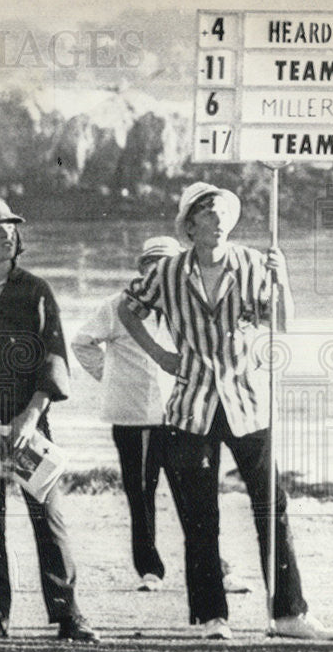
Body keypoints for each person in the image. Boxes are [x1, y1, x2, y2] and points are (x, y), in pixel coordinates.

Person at [118, 181, 333, 641]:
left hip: (247, 401)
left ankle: (289, 615)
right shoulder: (168, 272)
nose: (218, 218)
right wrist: (161, 355)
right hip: (192, 405)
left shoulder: (252, 263)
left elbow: (282, 324)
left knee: (271, 507)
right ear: (191, 224)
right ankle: (210, 617)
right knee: (201, 515)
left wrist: (284, 281)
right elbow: (128, 308)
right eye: (206, 211)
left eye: (223, 210)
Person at [0, 199, 99, 642]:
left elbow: (54, 355)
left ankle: (69, 616)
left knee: (48, 517)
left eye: (10, 225)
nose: (7, 232)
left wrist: (30, 418)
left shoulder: (37, 290)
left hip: (31, 424)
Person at [72, 236, 251, 595]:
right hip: (132, 416)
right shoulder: (116, 305)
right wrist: (110, 378)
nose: (156, 271)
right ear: (141, 271)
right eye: (150, 264)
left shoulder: (188, 307)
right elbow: (82, 343)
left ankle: (216, 569)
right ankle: (150, 570)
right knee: (140, 494)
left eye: (165, 264)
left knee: (194, 495)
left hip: (181, 414)